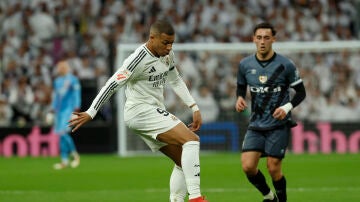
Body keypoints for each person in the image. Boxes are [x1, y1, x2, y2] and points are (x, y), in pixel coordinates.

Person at [69, 19, 208, 202]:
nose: (169, 47)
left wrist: (194, 107)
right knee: (191, 140)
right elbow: (111, 84)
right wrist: (91, 112)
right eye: (165, 43)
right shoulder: (137, 59)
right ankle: (196, 198)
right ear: (152, 38)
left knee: (183, 161)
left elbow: (175, 80)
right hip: (140, 111)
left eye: (172, 43)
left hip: (152, 111)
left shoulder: (168, 55)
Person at [235, 22, 306, 202]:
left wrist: (286, 107)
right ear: (253, 39)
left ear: (273, 39)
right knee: (248, 166)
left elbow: (301, 92)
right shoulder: (245, 64)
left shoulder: (286, 65)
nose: (262, 41)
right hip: (256, 124)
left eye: (266, 37)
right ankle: (268, 196)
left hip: (278, 125)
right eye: (259, 38)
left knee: (273, 168)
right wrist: (240, 98)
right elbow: (241, 86)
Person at [49, 60, 81, 170]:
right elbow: (56, 97)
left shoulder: (73, 80)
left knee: (63, 133)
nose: (60, 69)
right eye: (59, 67)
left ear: (66, 68)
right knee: (60, 136)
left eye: (62, 67)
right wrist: (52, 109)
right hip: (59, 111)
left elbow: (77, 94)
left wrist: (76, 108)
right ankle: (64, 161)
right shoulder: (57, 81)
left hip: (69, 109)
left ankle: (75, 155)